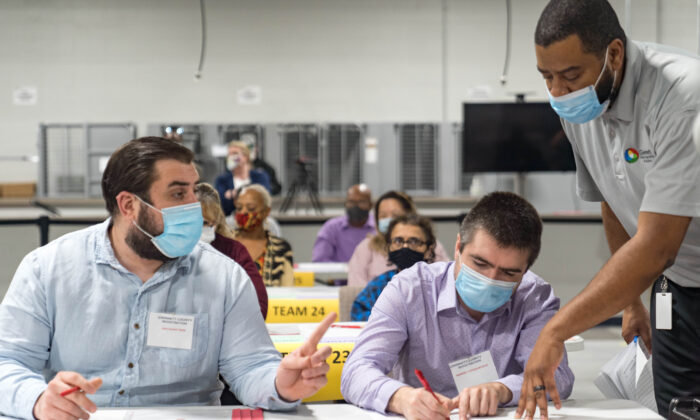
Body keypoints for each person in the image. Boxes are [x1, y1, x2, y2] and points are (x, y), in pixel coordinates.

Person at [0, 137, 336, 420]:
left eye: (194, 191)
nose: (195, 205)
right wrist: (39, 399)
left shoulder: (223, 277)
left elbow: (249, 368)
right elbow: (6, 362)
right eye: (178, 194)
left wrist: (280, 385)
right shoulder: (48, 269)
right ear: (129, 204)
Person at [516, 2, 700, 419]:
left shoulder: (684, 94)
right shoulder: (579, 107)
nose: (558, 92)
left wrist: (556, 330)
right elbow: (614, 200)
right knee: (677, 408)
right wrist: (631, 300)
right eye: (547, 77)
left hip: (669, 258)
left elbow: (656, 247)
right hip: (680, 285)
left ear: (614, 54)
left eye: (570, 75)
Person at [341, 192, 574, 420]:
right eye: (480, 263)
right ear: (458, 247)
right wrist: (400, 398)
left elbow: (559, 377)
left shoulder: (535, 296)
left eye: (509, 272)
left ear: (525, 270)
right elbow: (355, 371)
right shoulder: (410, 289)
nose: (490, 280)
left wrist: (500, 390)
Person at [195, 182, 268, 319]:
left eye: (206, 223)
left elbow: (259, 306)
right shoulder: (169, 252)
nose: (200, 228)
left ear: (217, 221)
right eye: (194, 222)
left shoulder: (234, 251)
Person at [347, 190, 450, 286]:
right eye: (383, 216)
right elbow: (356, 289)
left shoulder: (430, 245)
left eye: (395, 215)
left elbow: (445, 280)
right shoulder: (366, 248)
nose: (389, 220)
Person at [351, 214, 437, 321]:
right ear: (389, 247)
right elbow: (359, 313)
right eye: (398, 241)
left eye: (414, 241)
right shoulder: (379, 285)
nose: (405, 247)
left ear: (429, 250)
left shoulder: (439, 285)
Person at [233, 184, 294, 287]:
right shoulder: (224, 243)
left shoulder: (281, 248)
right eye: (239, 208)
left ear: (266, 212)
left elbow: (287, 291)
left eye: (250, 208)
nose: (243, 212)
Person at [311, 184, 375, 263]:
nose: (356, 206)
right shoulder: (331, 228)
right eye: (351, 202)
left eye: (361, 202)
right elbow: (319, 260)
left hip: (375, 275)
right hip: (339, 275)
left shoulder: (378, 228)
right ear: (345, 204)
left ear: (370, 205)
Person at [214, 141, 271, 216]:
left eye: (235, 153)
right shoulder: (222, 180)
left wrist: (232, 194)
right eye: (229, 154)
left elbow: (264, 197)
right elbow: (220, 203)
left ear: (246, 157)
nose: (231, 157)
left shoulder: (260, 176)